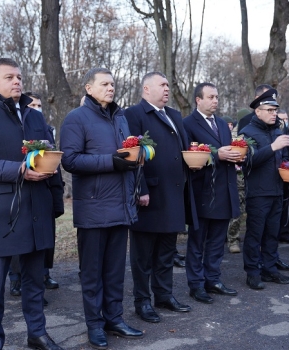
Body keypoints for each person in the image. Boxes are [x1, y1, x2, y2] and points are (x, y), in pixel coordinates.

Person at [0, 58, 64, 350]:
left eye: (19, 76)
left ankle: (38, 334)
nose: (17, 81)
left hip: (37, 210)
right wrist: (19, 170)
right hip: (1, 214)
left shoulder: (35, 117)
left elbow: (50, 154)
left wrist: (54, 193)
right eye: (9, 77)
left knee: (35, 281)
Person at [60, 67, 143, 350]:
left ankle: (114, 319)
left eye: (113, 83)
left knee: (115, 270)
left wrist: (135, 162)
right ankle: (94, 325)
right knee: (93, 272)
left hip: (121, 206)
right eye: (104, 84)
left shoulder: (120, 117)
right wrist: (111, 162)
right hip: (94, 209)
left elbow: (127, 155)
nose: (111, 88)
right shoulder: (76, 118)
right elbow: (69, 161)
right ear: (88, 88)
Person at [123, 72, 196, 323]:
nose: (167, 89)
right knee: (143, 255)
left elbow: (183, 150)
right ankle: (142, 301)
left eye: (168, 85)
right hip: (150, 194)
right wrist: (140, 187)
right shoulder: (133, 114)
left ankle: (163, 295)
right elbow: (131, 154)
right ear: (146, 88)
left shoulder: (175, 115)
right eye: (162, 85)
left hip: (174, 192)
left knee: (167, 250)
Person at [183, 82, 240, 303]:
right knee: (198, 241)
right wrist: (218, 156)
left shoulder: (223, 124)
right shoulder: (187, 123)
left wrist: (237, 156)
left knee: (217, 240)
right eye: (211, 97)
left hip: (224, 189)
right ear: (199, 100)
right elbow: (189, 155)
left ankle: (213, 279)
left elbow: (228, 150)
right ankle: (196, 284)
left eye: (217, 97)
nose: (215, 100)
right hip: (202, 191)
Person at [8, 91, 59, 302]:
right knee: (21, 240)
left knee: (42, 240)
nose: (36, 108)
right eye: (33, 105)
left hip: (44, 187)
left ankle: (41, 277)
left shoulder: (44, 127)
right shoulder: (17, 127)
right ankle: (16, 279)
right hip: (20, 189)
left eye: (39, 105)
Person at [239, 88, 289, 290]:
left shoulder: (278, 131)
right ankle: (252, 272)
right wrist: (273, 147)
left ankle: (270, 269)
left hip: (278, 190)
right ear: (258, 111)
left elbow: (284, 156)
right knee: (255, 234)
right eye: (269, 110)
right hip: (259, 192)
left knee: (272, 233)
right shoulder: (247, 133)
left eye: (275, 110)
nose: (273, 114)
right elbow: (248, 162)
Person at [227, 108, 252, 253]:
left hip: (251, 176)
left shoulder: (251, 132)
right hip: (238, 176)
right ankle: (233, 240)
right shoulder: (233, 136)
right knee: (237, 210)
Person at [277, 110, 289, 245]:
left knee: (287, 205)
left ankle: (284, 232)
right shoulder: (275, 133)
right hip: (277, 174)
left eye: (286, 118)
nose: (284, 122)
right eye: (282, 119)